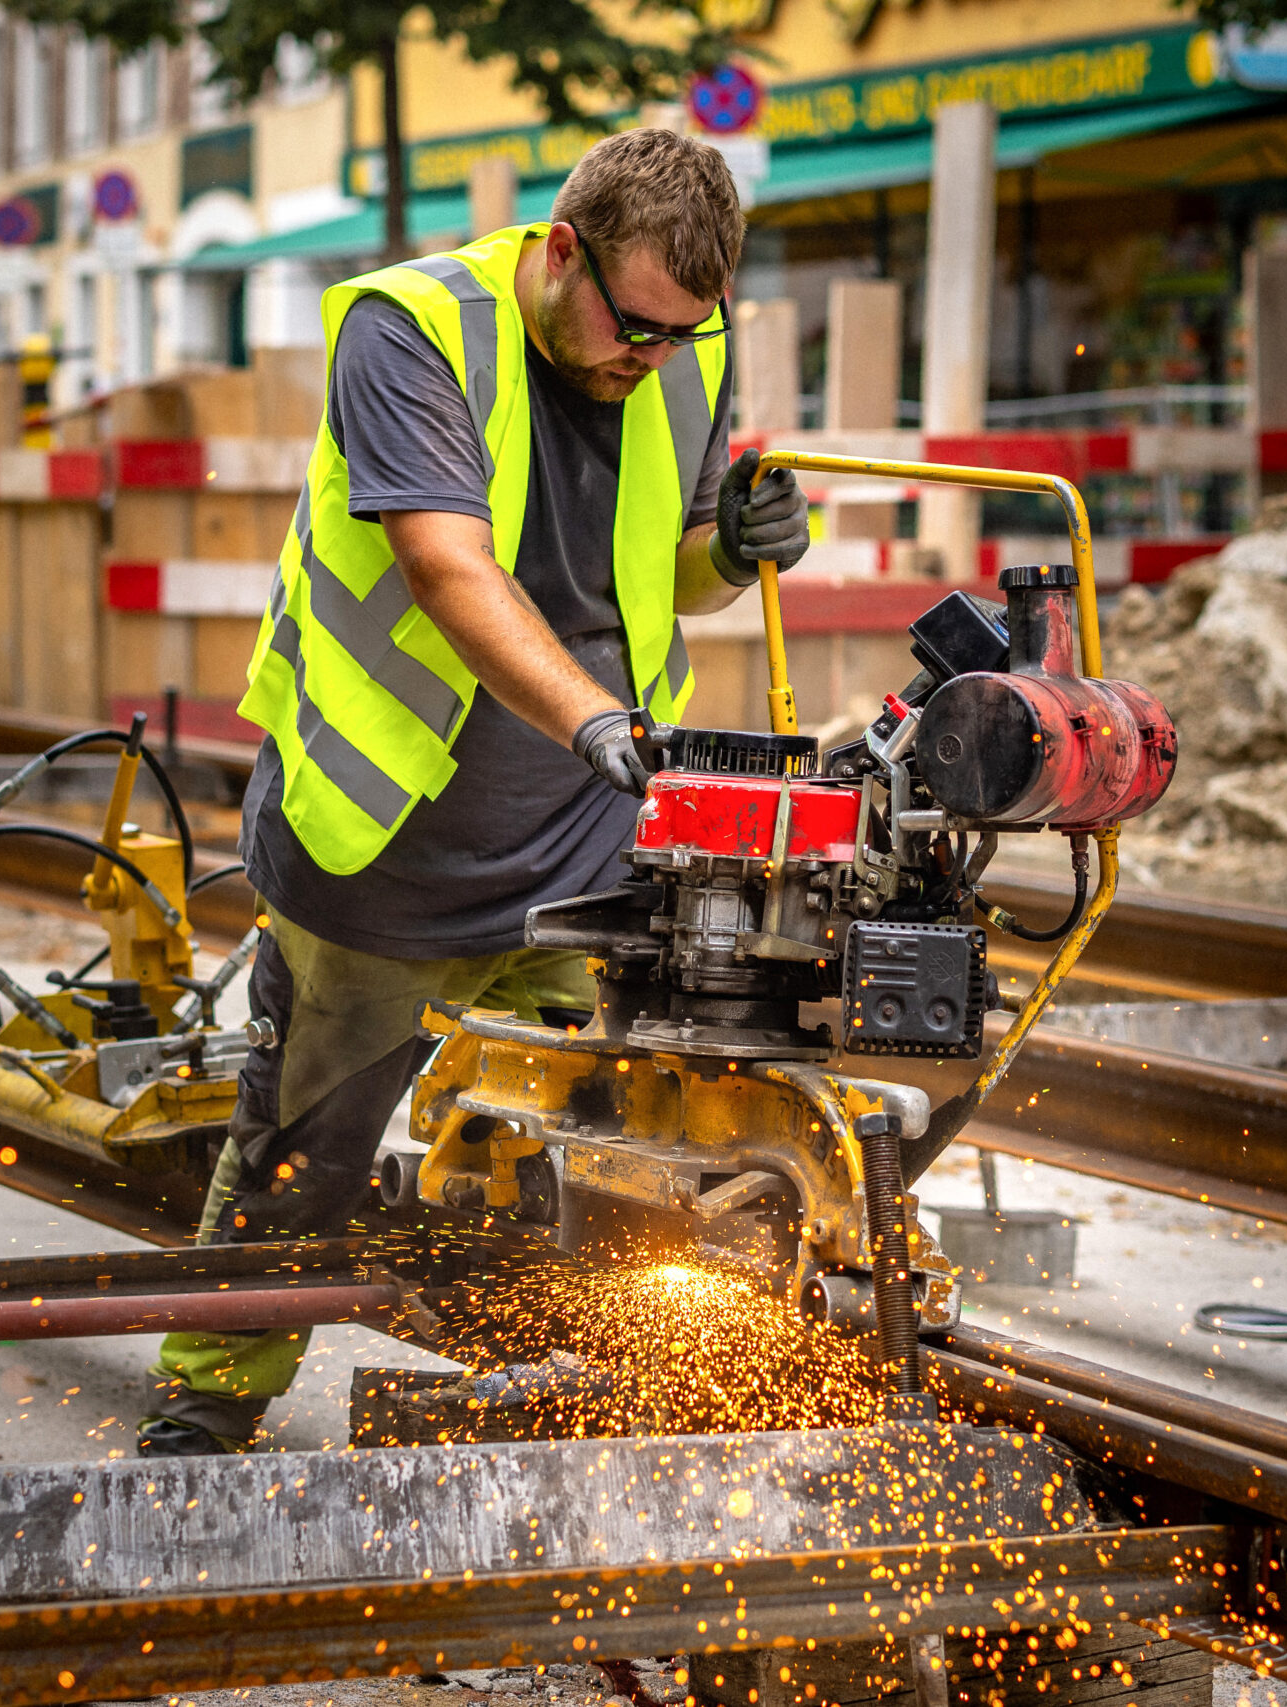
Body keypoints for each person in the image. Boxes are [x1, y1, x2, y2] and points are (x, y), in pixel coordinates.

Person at [139, 129, 814, 1455]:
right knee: (311, 1145)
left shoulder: (684, 345)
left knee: (630, 1130)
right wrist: (599, 724)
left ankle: (607, 1391)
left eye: (682, 335)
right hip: (389, 832)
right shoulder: (412, 331)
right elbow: (449, 567)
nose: (653, 357)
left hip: (581, 831)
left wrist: (729, 550)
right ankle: (211, 1398)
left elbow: (656, 569)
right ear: (562, 250)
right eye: (634, 326)